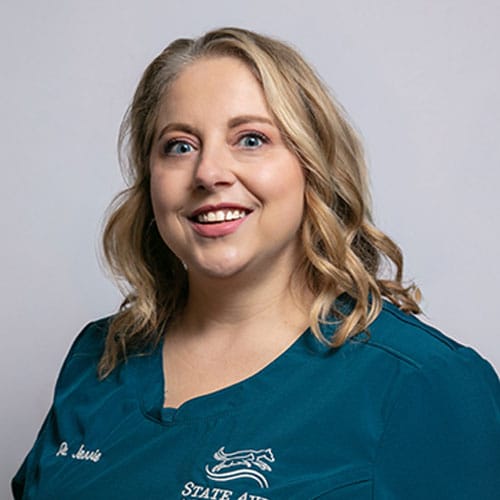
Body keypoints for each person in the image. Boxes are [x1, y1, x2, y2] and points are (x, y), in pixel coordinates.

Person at [12, 27, 500, 499]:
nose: (208, 173)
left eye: (250, 139)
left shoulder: (423, 383)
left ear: (313, 166)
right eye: (179, 146)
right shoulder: (99, 357)